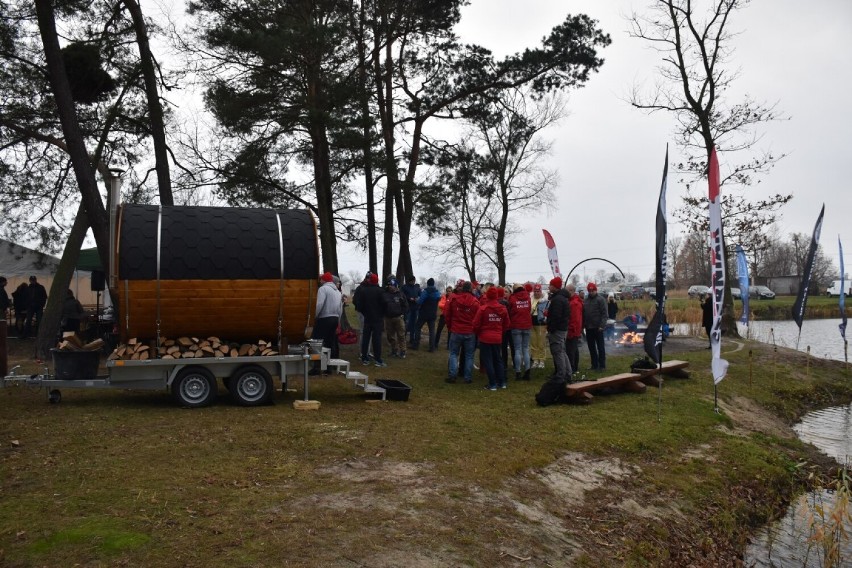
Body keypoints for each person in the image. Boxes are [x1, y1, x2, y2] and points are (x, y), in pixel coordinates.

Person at [474, 286, 510, 390]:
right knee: (498, 359)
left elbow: (476, 324)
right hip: (497, 338)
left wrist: (479, 333)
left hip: (485, 338)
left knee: (488, 361)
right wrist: (500, 332)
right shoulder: (503, 309)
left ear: (488, 296)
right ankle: (502, 382)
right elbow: (507, 324)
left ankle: (492, 384)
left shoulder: (483, 308)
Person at [445, 281, 479, 384]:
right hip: (469, 332)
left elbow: (447, 314)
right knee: (469, 355)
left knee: (454, 353)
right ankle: (467, 377)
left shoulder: (454, 299)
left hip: (456, 330)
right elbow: (478, 318)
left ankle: (452, 376)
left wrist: (450, 326)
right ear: (471, 289)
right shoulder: (475, 302)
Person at [309, 272, 343, 374]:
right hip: (335, 318)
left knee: (316, 343)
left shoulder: (323, 289)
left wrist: (314, 317)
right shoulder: (337, 291)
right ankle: (329, 367)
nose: (320, 281)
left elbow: (319, 304)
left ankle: (316, 366)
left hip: (324, 318)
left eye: (321, 280)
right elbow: (340, 308)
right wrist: (338, 321)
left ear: (323, 280)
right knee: (329, 343)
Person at [353, 272, 387, 367]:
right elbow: (385, 304)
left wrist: (365, 313)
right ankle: (378, 359)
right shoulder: (381, 291)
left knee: (365, 338)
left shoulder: (364, 291)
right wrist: (381, 314)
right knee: (377, 339)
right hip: (377, 319)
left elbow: (359, 306)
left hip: (367, 318)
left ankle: (364, 357)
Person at [546, 277, 571, 382]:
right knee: (562, 351)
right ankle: (567, 373)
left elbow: (556, 316)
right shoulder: (561, 298)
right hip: (562, 329)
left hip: (557, 330)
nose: (549, 286)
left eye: (550, 285)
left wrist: (551, 329)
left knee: (557, 352)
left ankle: (561, 375)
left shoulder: (557, 300)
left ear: (555, 286)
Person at [508, 283, 532, 381]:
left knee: (517, 349)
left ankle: (518, 372)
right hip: (527, 325)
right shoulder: (528, 297)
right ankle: (527, 371)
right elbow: (529, 309)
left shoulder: (512, 298)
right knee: (525, 349)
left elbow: (510, 311)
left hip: (516, 325)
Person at [583, 282, 608, 371]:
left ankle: (602, 365)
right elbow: (584, 313)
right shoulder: (585, 300)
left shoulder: (601, 300)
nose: (591, 292)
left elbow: (605, 314)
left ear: (596, 290)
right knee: (591, 347)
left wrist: (602, 325)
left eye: (593, 290)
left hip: (598, 327)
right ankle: (594, 364)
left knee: (600, 347)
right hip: (588, 327)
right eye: (589, 290)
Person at [382, 278, 409, 358]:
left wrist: (403, 314)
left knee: (401, 335)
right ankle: (394, 350)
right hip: (388, 318)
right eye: (389, 285)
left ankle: (403, 351)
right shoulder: (385, 294)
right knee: (390, 336)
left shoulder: (400, 294)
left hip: (398, 318)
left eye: (392, 285)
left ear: (395, 286)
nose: (390, 287)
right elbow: (382, 305)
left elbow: (406, 306)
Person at [414, 277, 442, 351]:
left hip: (424, 313)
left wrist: (416, 299)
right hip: (433, 314)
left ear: (427, 284)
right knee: (432, 331)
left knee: (417, 328)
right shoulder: (437, 292)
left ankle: (416, 345)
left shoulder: (425, 291)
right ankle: (432, 347)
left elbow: (420, 301)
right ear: (433, 284)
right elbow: (438, 300)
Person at [566, 283, 583, 378]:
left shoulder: (574, 303)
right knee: (574, 349)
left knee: (571, 351)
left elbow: (575, 319)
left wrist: (571, 329)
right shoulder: (574, 301)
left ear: (571, 291)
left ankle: (572, 368)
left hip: (573, 330)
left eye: (567, 291)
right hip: (575, 329)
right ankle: (574, 367)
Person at [530, 283, 549, 369]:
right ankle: (535, 359)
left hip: (541, 324)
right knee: (533, 343)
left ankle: (541, 360)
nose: (537, 293)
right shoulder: (530, 299)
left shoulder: (545, 301)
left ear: (541, 291)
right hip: (532, 323)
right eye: (535, 291)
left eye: (538, 291)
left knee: (541, 343)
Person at [401, 276, 421, 348]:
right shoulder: (404, 287)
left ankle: (412, 339)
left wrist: (418, 298)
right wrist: (409, 298)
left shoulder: (417, 288)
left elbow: (420, 295)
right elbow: (402, 296)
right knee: (406, 323)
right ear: (409, 281)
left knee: (414, 324)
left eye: (414, 281)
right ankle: (403, 339)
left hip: (415, 308)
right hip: (408, 308)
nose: (413, 282)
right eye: (412, 281)